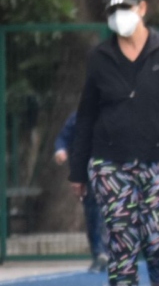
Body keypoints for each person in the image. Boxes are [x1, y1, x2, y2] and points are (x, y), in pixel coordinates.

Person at [68, 0, 159, 286]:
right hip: (110, 163)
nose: (119, 16)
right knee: (122, 246)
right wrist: (78, 171)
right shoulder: (99, 57)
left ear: (141, 9)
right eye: (112, 12)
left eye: (125, 9)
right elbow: (86, 115)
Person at [53, 112, 108, 273]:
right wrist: (60, 151)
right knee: (92, 213)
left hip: (111, 172)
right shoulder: (78, 117)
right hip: (86, 173)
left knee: (109, 212)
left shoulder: (114, 115)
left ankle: (109, 251)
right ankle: (99, 253)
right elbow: (63, 138)